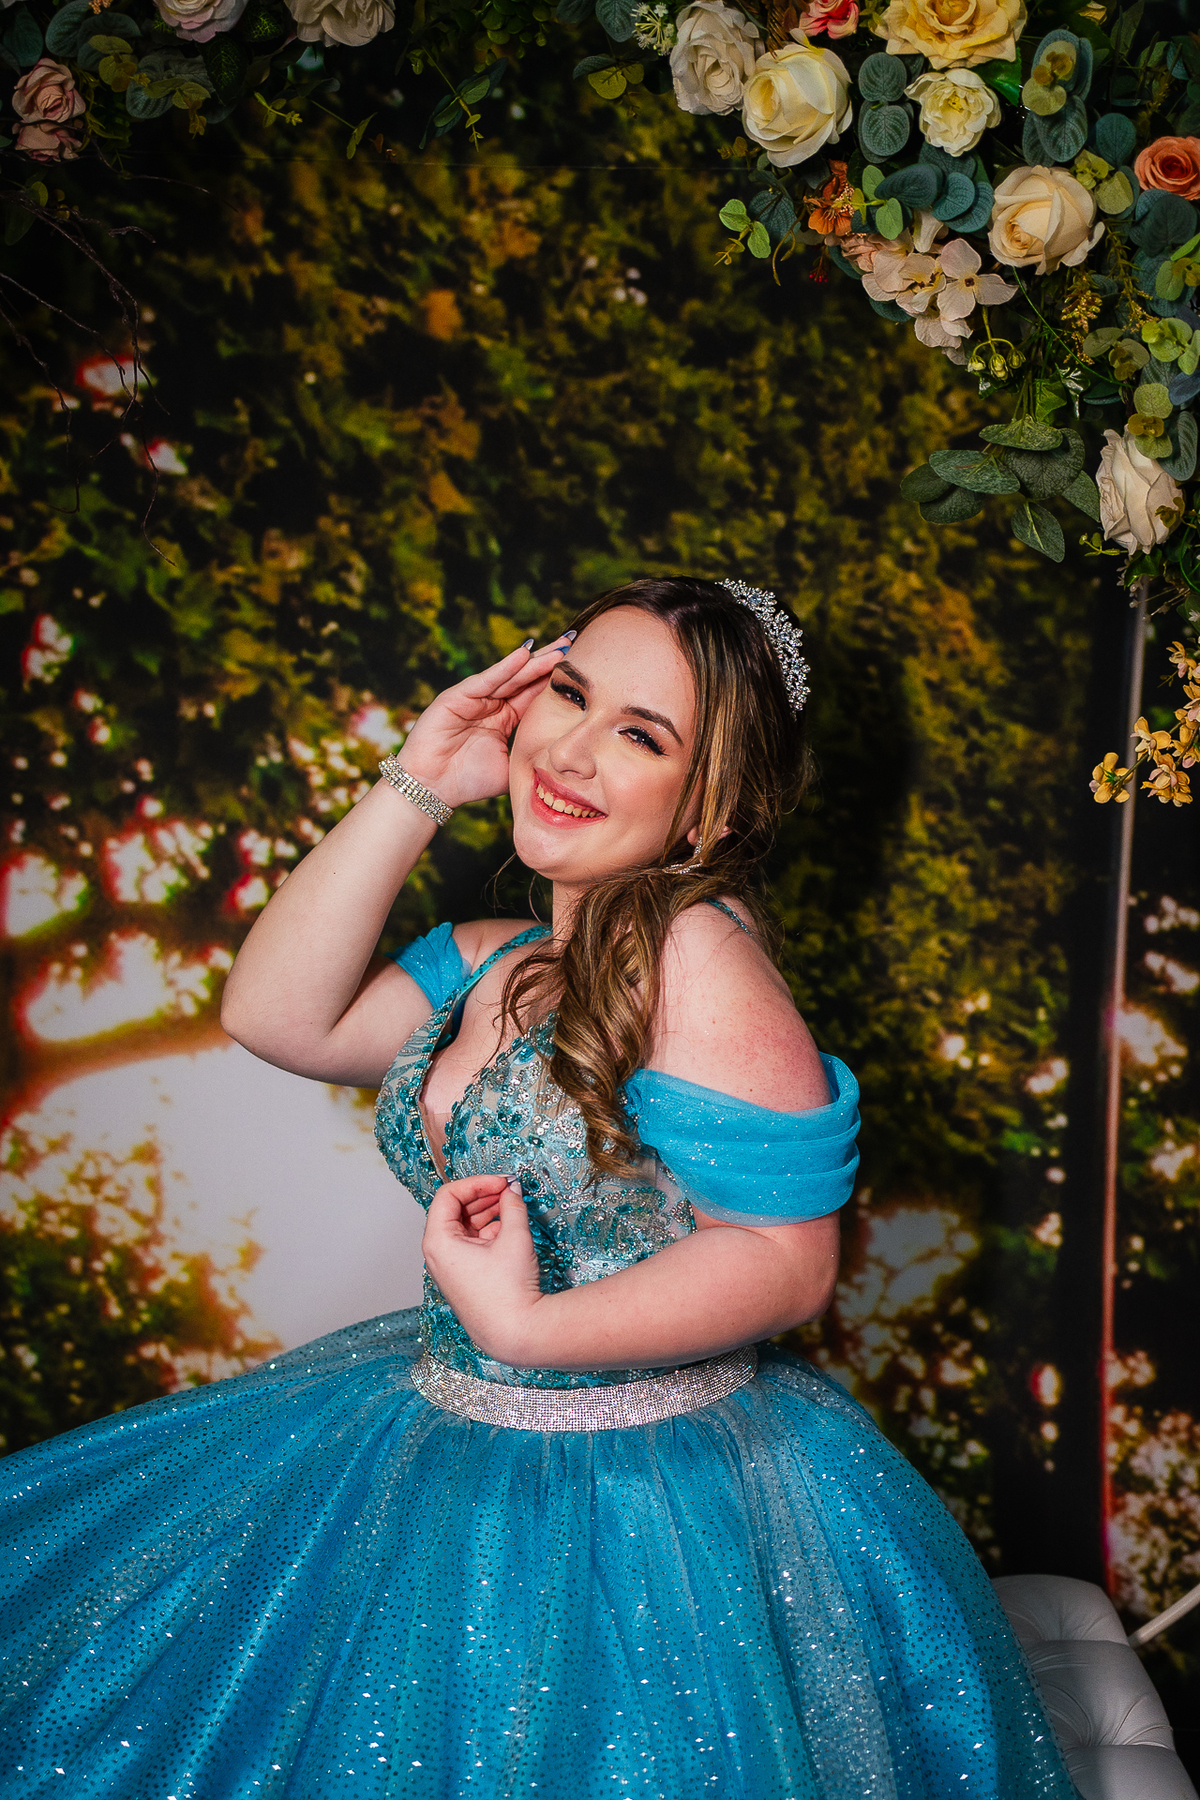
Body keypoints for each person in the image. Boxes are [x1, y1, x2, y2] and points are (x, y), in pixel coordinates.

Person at [0, 577, 1075, 1800]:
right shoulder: (493, 959)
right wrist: (419, 780)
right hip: (442, 1423)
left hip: (640, 1505)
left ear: (714, 805)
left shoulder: (696, 958)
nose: (570, 748)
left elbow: (787, 1260)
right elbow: (275, 1015)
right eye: (570, 692)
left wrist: (529, 1328)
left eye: (642, 734)